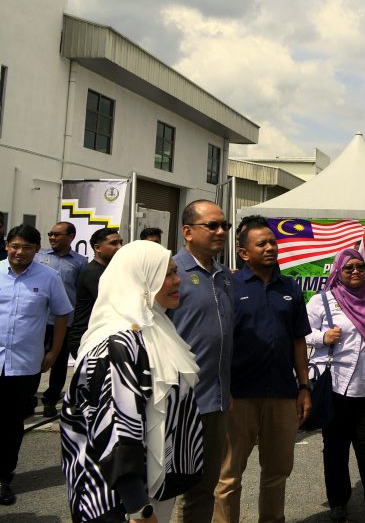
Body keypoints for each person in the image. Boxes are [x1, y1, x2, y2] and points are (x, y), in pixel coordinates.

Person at [61, 240, 203, 523]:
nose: (178, 281)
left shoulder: (156, 328)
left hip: (150, 486)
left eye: (176, 272)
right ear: (142, 279)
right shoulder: (118, 344)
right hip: (116, 500)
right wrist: (139, 508)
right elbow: (116, 430)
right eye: (168, 274)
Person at [214, 216, 312, 523]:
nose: (271, 247)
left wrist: (304, 387)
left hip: (282, 394)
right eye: (262, 244)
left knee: (277, 471)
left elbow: (299, 341)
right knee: (229, 476)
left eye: (273, 242)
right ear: (244, 253)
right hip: (238, 396)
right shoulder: (228, 287)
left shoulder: (291, 288)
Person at [307, 247, 365, 523]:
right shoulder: (321, 301)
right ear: (338, 271)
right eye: (349, 268)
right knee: (335, 449)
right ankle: (338, 502)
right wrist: (323, 337)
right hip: (334, 386)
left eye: (360, 267)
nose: (356, 272)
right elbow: (301, 333)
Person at [169, 200, 234, 523]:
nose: (221, 232)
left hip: (216, 402)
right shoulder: (170, 274)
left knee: (203, 488)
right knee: (164, 487)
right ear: (187, 231)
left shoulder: (223, 276)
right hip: (177, 402)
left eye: (225, 226)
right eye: (213, 225)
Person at [0, 224, 72, 506]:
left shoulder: (49, 277)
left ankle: (4, 477)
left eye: (27, 248)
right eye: (15, 246)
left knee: (12, 424)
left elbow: (63, 314)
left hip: (25, 366)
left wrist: (53, 353)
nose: (20, 252)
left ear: (36, 250)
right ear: (7, 246)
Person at [35, 221, 88, 417]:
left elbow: (81, 292)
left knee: (59, 363)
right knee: (35, 359)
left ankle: (51, 400)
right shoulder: (40, 258)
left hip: (65, 321)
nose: (52, 238)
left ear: (71, 237)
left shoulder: (80, 262)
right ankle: (28, 398)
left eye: (57, 234)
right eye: (50, 234)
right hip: (40, 320)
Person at [67, 228, 124, 358]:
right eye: (113, 243)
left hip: (101, 337)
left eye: (121, 242)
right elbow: (115, 303)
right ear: (98, 248)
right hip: (86, 339)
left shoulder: (110, 270)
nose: (120, 247)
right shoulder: (93, 272)